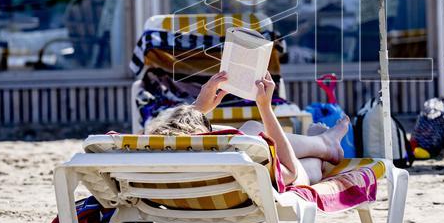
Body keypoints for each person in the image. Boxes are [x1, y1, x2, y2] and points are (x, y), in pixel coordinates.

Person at [145, 70, 348, 186]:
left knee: (251, 129)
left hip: (195, 196)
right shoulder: (231, 156)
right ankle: (323, 145)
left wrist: (198, 108)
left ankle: (324, 144)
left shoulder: (151, 155)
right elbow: (292, 171)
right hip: (263, 185)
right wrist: (265, 108)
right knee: (311, 164)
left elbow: (175, 134)